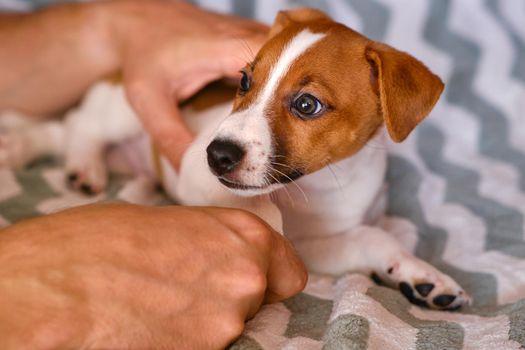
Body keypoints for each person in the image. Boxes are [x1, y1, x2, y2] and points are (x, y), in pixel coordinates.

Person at [0, 1, 307, 348]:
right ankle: (62, 136)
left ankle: (53, 138)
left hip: (139, 152)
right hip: (129, 126)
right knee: (112, 117)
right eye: (246, 81)